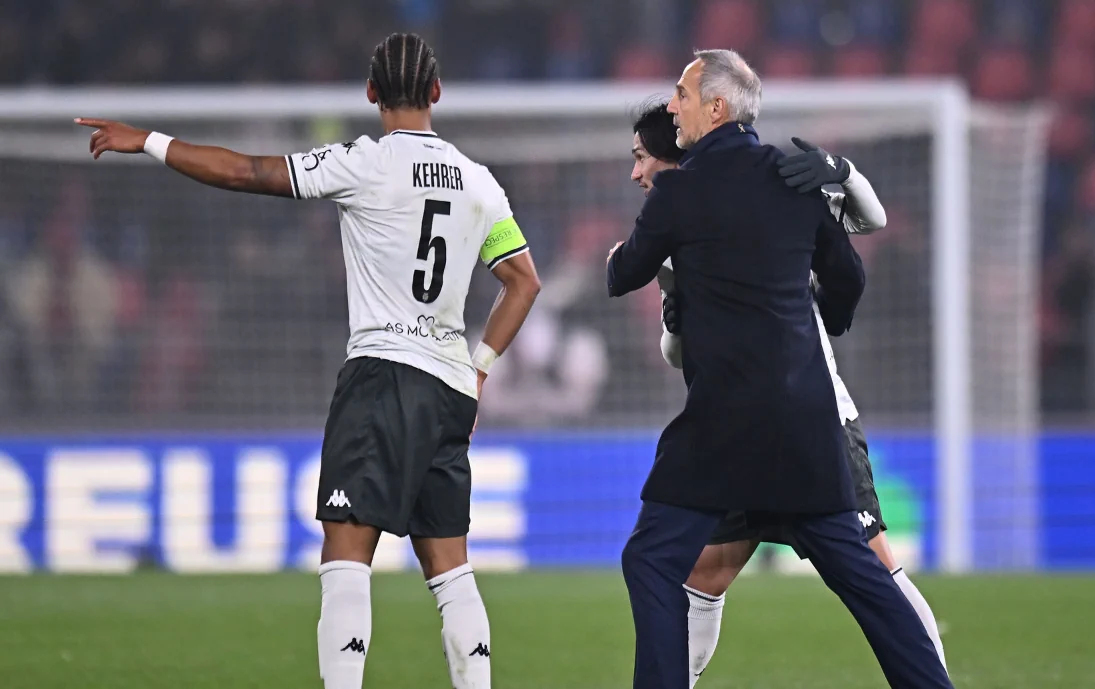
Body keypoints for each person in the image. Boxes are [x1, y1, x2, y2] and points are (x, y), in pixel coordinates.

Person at [77, 33, 540, 689]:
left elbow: (246, 171)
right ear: (437, 92)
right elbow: (523, 281)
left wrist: (148, 140)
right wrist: (480, 365)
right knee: (451, 570)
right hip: (447, 387)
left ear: (371, 94)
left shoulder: (364, 162)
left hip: (382, 373)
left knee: (347, 554)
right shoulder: (480, 182)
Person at [607, 50, 953, 689]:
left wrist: (651, 273)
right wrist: (830, 316)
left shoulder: (679, 193)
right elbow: (850, 270)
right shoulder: (791, 179)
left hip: (724, 428)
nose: (673, 104)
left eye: (681, 93)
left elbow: (621, 275)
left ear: (715, 106)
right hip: (805, 422)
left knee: (652, 558)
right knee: (860, 575)